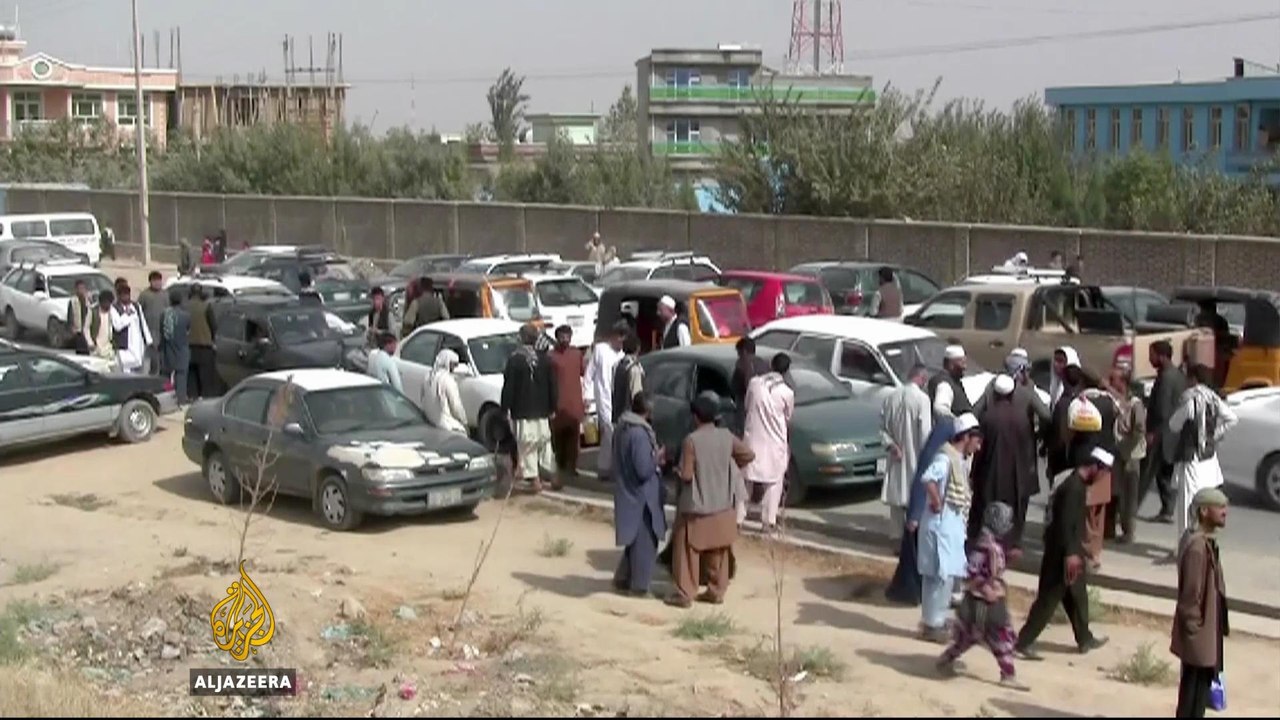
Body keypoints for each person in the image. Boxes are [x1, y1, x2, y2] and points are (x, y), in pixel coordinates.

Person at [1014, 445, 1112, 659]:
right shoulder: (1072, 489)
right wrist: (1070, 554)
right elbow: (1064, 524)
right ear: (1096, 467)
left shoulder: (1077, 486)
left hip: (1070, 551)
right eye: (1104, 472)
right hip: (1062, 554)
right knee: (1048, 600)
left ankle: (1084, 638)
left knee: (1076, 596)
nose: (1103, 478)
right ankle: (1023, 641)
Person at [667, 394, 753, 608]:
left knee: (686, 550)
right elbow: (748, 455)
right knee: (719, 550)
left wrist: (675, 470)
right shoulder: (727, 436)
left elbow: (687, 475)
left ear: (696, 417)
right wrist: (727, 466)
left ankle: (685, 593)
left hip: (697, 507)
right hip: (724, 505)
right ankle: (716, 591)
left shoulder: (691, 440)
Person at [937, 501, 1029, 691]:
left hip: (988, 601)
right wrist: (985, 588)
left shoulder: (993, 544)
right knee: (999, 638)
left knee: (969, 637)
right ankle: (1008, 674)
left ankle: (945, 660)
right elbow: (971, 571)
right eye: (1006, 521)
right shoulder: (984, 546)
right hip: (983, 604)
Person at [918, 412, 983, 642]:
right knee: (937, 576)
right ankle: (931, 624)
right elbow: (928, 479)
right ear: (966, 437)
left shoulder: (958, 460)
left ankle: (938, 619)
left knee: (947, 577)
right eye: (976, 441)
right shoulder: (945, 459)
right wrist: (936, 500)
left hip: (951, 528)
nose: (977, 446)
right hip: (940, 527)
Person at [885, 416, 955, 606]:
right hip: (922, 517)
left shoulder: (940, 453)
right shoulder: (936, 457)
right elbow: (922, 482)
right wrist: (915, 515)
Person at [1172, 487, 1229, 719]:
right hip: (1198, 635)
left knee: (1198, 694)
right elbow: (1190, 596)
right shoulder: (1197, 547)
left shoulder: (1203, 542)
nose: (1225, 512)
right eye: (1220, 507)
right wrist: (1195, 631)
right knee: (1192, 697)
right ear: (1204, 511)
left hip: (1204, 634)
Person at [1169, 364, 1238, 549]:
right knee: (1206, 501)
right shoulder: (1213, 399)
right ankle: (1203, 540)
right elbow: (1232, 418)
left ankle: (1185, 546)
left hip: (1192, 459)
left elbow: (1174, 425)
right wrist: (1213, 435)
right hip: (1208, 458)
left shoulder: (1191, 401)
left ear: (1193, 379)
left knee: (1187, 505)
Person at [969, 375, 1038, 555]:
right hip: (1015, 472)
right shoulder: (1021, 418)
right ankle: (1009, 543)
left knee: (987, 507)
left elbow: (980, 448)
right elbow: (1027, 446)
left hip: (990, 470)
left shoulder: (987, 417)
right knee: (1011, 509)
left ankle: (984, 542)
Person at [612, 392, 666, 597]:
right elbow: (643, 469)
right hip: (642, 496)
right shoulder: (639, 434)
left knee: (635, 540)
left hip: (627, 490)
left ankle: (623, 578)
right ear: (648, 411)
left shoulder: (622, 427)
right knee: (646, 542)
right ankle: (639, 587)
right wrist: (657, 458)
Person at [741, 353, 796, 532]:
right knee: (774, 482)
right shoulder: (787, 393)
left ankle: (738, 519)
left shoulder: (754, 384)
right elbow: (788, 416)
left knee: (746, 480)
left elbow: (747, 405)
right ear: (787, 371)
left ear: (771, 365)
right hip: (774, 442)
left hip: (753, 438)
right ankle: (768, 522)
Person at [881, 363, 933, 550]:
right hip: (916, 458)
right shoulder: (922, 400)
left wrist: (892, 445)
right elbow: (925, 433)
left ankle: (896, 542)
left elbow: (882, 429)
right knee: (915, 499)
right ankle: (912, 543)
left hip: (896, 456)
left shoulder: (890, 397)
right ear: (921, 378)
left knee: (896, 502)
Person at [501, 323, 558, 493]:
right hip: (542, 410)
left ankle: (535, 480)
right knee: (544, 443)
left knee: (527, 445)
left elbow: (509, 387)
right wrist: (553, 406)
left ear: (522, 338)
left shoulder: (515, 359)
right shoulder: (544, 359)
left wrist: (505, 408)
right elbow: (552, 385)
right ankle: (550, 475)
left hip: (523, 410)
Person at [1142, 340, 1187, 524]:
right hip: (1173, 434)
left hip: (1162, 434)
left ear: (1161, 356)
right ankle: (1167, 510)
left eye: (1151, 355)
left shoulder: (1167, 378)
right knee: (1164, 474)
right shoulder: (1176, 374)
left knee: (1146, 473)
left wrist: (1152, 432)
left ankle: (1127, 512)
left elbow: (1161, 409)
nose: (1150, 359)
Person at [1107, 365, 1147, 545]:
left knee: (1129, 495)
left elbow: (1139, 429)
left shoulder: (1135, 404)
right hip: (1116, 453)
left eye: (1113, 379)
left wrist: (1128, 447)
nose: (1110, 382)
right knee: (1114, 491)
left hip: (1129, 455)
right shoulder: (1117, 400)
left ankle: (1128, 531)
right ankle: (1110, 528)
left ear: (1122, 382)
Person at [587, 322, 626, 481]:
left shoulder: (623, 355)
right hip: (602, 397)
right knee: (609, 431)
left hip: (617, 399)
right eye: (619, 338)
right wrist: (587, 396)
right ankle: (605, 469)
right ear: (613, 336)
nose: (620, 343)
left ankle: (608, 467)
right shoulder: (601, 350)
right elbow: (590, 373)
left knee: (615, 433)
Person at [549, 325, 586, 490]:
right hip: (558, 403)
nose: (565, 339)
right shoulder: (551, 356)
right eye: (562, 336)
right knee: (558, 438)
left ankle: (572, 467)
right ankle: (560, 465)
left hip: (574, 402)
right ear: (556, 338)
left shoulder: (577, 354)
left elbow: (583, 374)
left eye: (567, 336)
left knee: (574, 437)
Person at [422, 349, 468, 434]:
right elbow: (456, 406)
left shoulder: (428, 376)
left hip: (429, 422)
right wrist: (464, 422)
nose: (454, 368)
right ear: (447, 362)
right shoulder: (447, 379)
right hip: (446, 425)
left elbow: (423, 400)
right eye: (453, 365)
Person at [186, 283, 219, 400]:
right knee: (205, 376)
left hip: (188, 346)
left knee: (191, 375)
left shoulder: (184, 307)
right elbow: (214, 326)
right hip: (204, 345)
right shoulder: (206, 306)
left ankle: (192, 396)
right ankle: (204, 397)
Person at [109, 285, 152, 374]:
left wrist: (148, 340)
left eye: (127, 294)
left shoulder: (136, 306)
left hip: (138, 343)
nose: (126, 297)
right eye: (123, 295)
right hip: (125, 344)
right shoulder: (114, 308)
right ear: (119, 296)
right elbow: (117, 325)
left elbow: (142, 322)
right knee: (126, 368)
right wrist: (127, 315)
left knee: (140, 366)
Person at [160, 289, 191, 405]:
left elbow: (161, 331)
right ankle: (181, 398)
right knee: (181, 374)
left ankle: (166, 397)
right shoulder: (186, 315)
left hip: (168, 347)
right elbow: (188, 330)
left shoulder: (164, 314)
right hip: (182, 347)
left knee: (166, 374)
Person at [730, 337, 769, 423]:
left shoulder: (742, 364)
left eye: (738, 353)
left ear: (744, 351)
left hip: (746, 408)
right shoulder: (764, 363)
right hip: (765, 407)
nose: (738, 356)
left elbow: (734, 387)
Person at [928, 345, 972, 420]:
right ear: (951, 365)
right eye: (962, 364)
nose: (965, 368)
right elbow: (941, 409)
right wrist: (958, 423)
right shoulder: (944, 384)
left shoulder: (953, 382)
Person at [137, 271, 167, 375]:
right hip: (148, 331)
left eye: (159, 280)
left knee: (160, 359)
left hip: (162, 331)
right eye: (155, 281)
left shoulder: (165, 294)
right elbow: (138, 311)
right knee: (149, 359)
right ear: (150, 282)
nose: (157, 283)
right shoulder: (144, 295)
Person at [612, 333, 644, 425]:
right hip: (630, 419)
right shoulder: (634, 368)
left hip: (617, 417)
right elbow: (637, 396)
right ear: (638, 348)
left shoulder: (617, 365)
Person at [84, 290, 119, 369]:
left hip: (109, 347)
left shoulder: (112, 312)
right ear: (101, 302)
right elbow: (86, 328)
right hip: (96, 348)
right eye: (105, 302)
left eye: (109, 303)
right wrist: (90, 343)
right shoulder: (93, 311)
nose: (107, 305)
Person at [66, 278, 92, 354]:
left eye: (83, 288)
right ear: (76, 289)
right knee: (80, 350)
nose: (81, 290)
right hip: (78, 330)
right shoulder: (73, 301)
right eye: (79, 288)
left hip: (87, 329)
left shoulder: (88, 300)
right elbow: (70, 315)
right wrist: (71, 327)